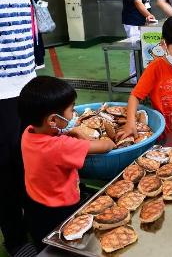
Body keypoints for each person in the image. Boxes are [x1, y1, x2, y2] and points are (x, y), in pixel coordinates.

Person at [18, 76, 115, 251]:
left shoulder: (28, 132)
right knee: (64, 243)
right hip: (60, 208)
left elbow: (51, 145)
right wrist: (106, 139)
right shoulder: (61, 147)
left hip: (34, 204)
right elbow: (106, 145)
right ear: (52, 120)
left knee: (43, 241)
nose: (74, 115)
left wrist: (68, 133)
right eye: (71, 109)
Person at [0, 0, 37, 255]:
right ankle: (15, 240)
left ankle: (35, 226)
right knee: (4, 173)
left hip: (24, 84)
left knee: (28, 163)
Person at [122, 0, 155, 82]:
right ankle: (135, 80)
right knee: (135, 50)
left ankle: (145, 77)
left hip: (142, 20)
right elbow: (137, 2)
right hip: (133, 21)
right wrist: (148, 15)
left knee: (145, 49)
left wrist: (147, 16)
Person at [19, 0, 46, 70]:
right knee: (36, 37)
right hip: (30, 15)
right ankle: (39, 58)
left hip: (32, 15)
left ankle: (39, 62)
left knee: (35, 38)